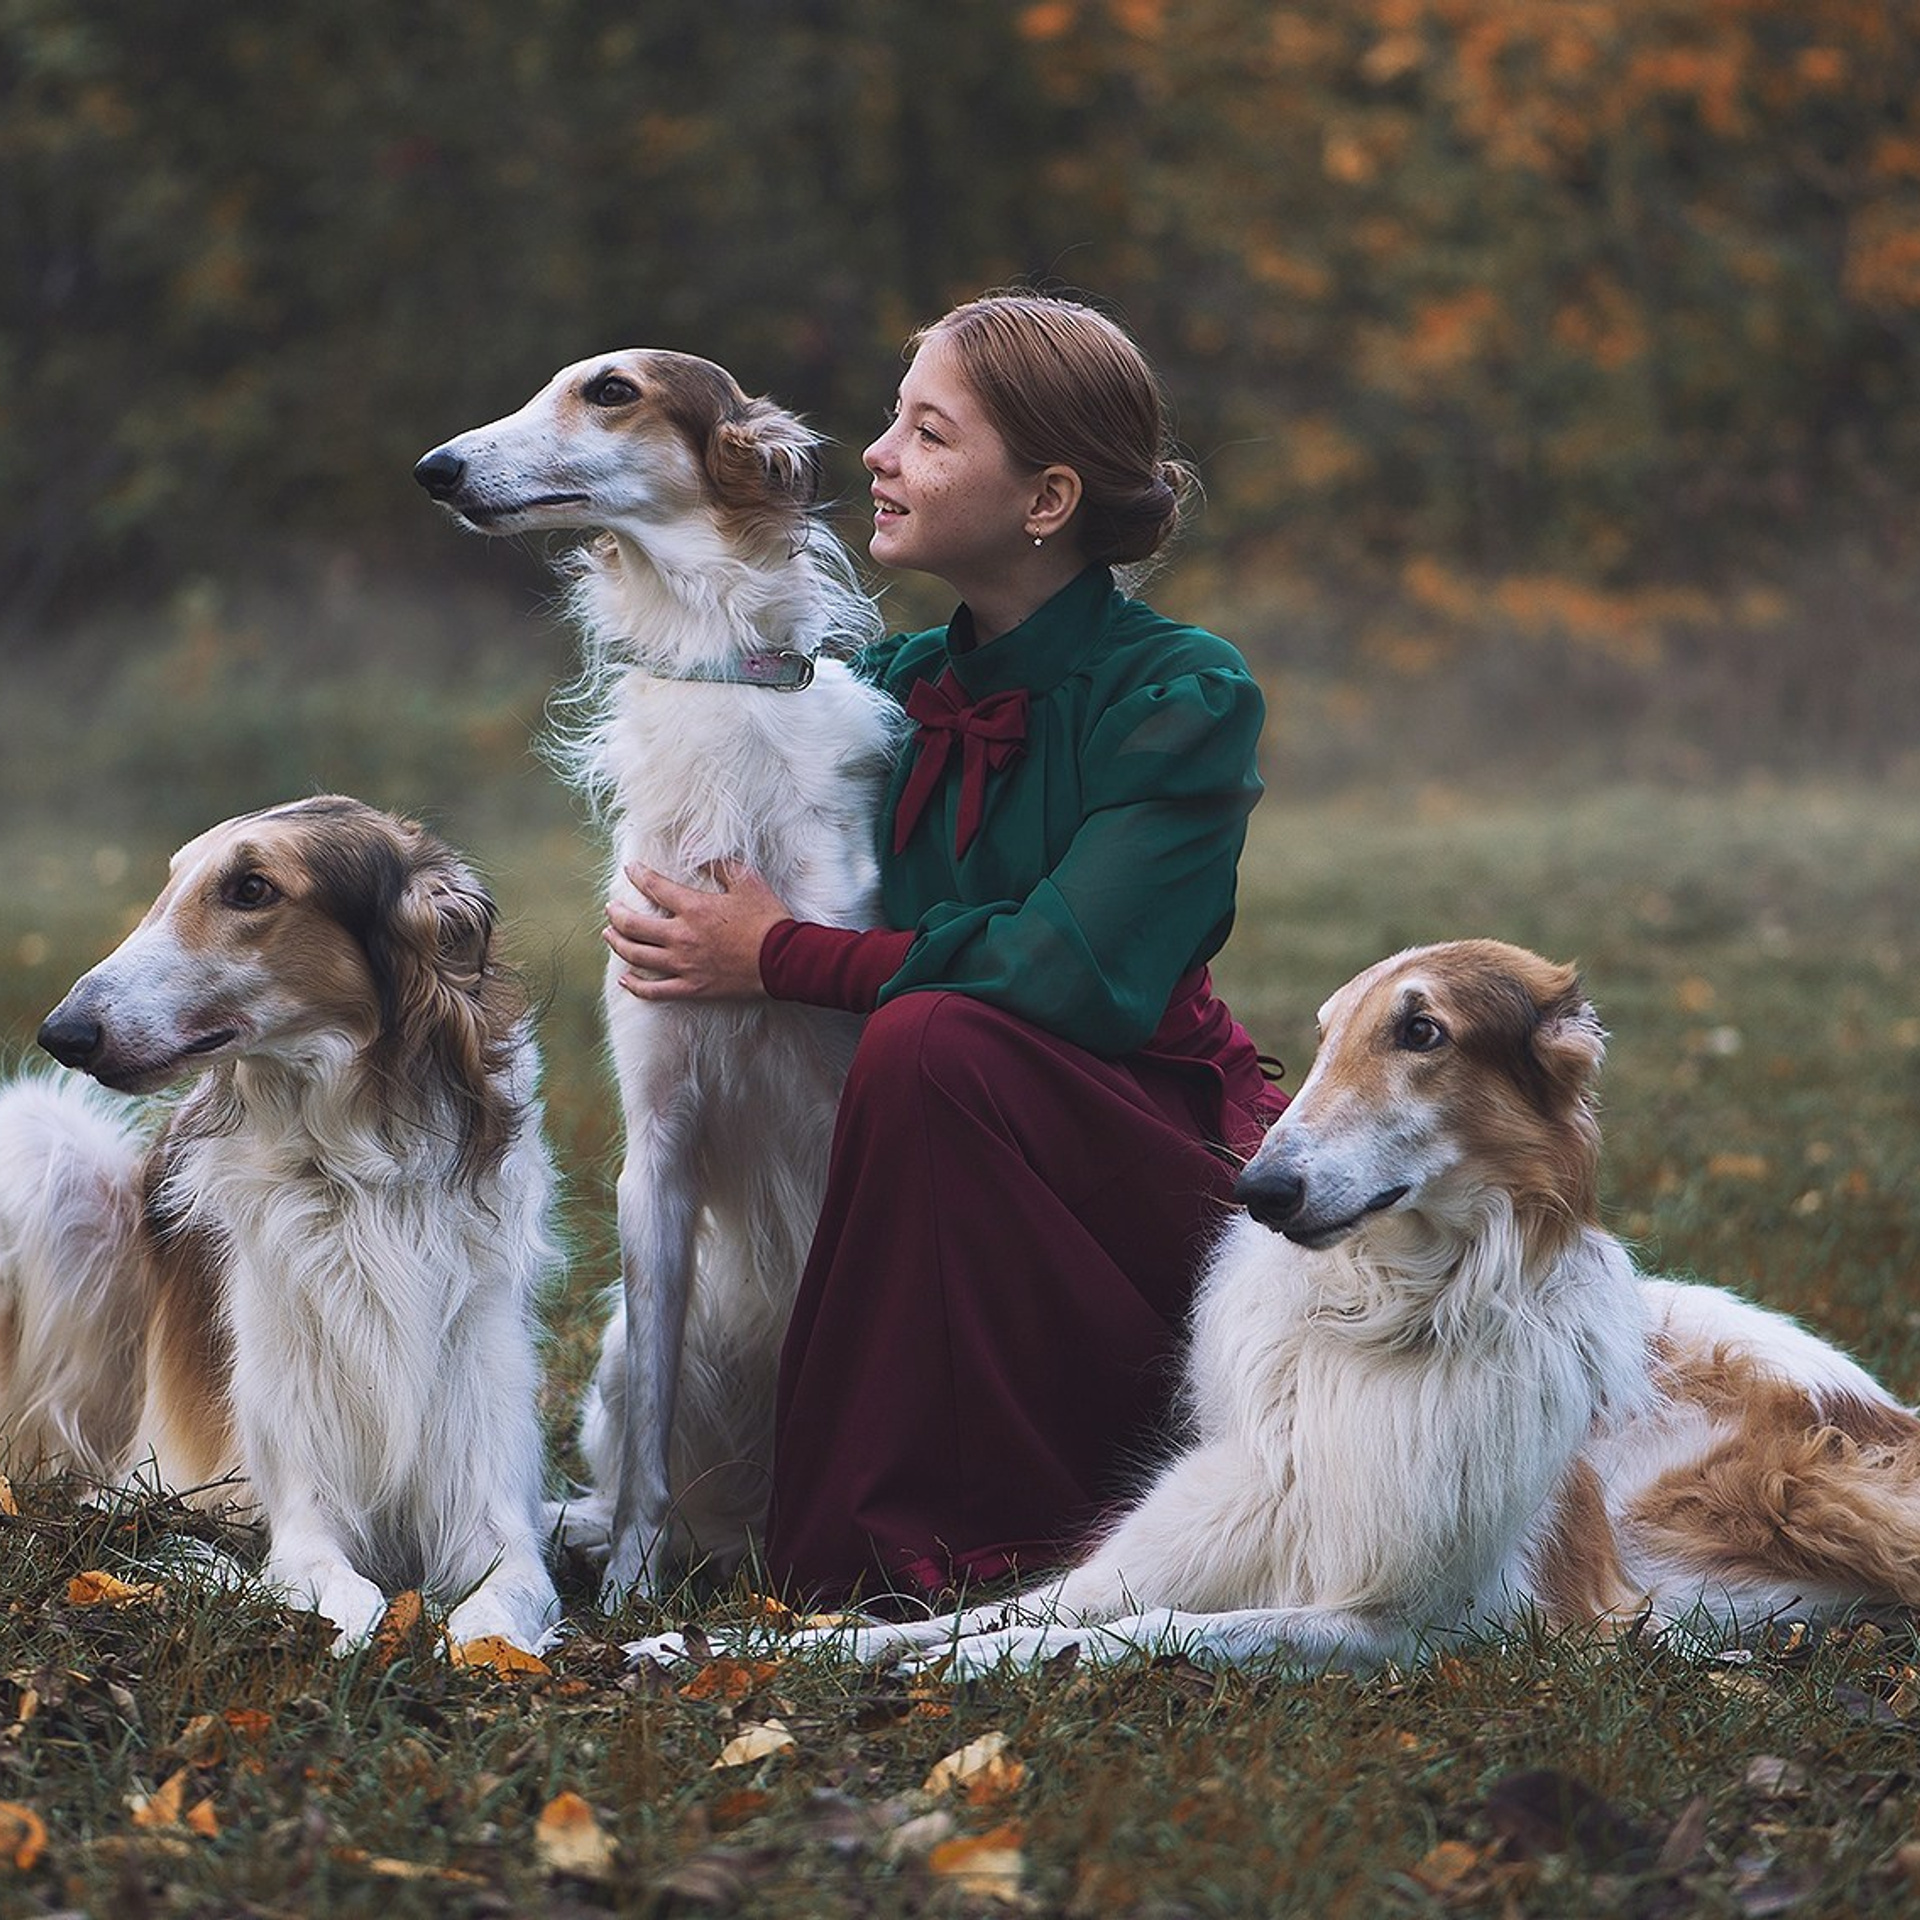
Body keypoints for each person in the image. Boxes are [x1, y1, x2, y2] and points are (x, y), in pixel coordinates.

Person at [604, 291, 1287, 1604]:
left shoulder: (1181, 692)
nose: (875, 454)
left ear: (1045, 500)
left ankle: (941, 1536)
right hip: (944, 1184)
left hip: (1147, 1181)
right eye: (888, 422)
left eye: (927, 432)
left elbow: (1071, 974)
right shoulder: (879, 699)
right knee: (908, 1060)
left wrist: (786, 955)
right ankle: (749, 1492)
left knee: (929, 1040)